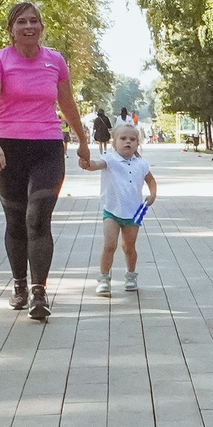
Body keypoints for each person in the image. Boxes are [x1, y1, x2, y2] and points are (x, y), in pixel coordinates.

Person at [0, 1, 95, 322]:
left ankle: (38, 291)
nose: (29, 26)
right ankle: (19, 284)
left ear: (42, 28)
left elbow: (67, 103)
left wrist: (83, 141)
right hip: (7, 148)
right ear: (11, 30)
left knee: (37, 217)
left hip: (47, 147)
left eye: (34, 21)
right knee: (16, 219)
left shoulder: (55, 61)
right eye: (22, 22)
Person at [84, 120, 157, 296]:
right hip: (112, 210)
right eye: (123, 138)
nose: (128, 142)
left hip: (136, 212)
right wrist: (87, 163)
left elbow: (150, 180)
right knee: (110, 245)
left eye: (132, 139)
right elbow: (95, 165)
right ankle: (103, 278)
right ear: (114, 143)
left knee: (129, 246)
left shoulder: (141, 163)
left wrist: (152, 195)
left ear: (137, 144)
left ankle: (131, 275)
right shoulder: (109, 160)